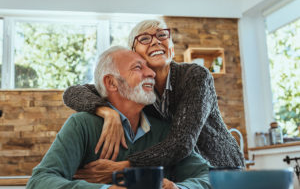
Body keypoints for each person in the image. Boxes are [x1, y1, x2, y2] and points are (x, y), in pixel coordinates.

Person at [25, 46, 215, 189]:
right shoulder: (81, 125)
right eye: (138, 68)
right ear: (111, 83)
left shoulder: (164, 131)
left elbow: (211, 178)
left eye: (148, 67)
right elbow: (38, 185)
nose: (151, 73)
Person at [63, 19, 244, 178]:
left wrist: (125, 167)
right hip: (183, 175)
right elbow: (72, 93)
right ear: (134, 53)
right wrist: (108, 112)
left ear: (171, 48)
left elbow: (181, 143)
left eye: (162, 35)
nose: (156, 41)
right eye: (144, 38)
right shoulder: (136, 89)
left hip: (221, 169)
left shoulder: (195, 76)